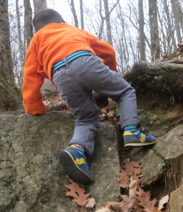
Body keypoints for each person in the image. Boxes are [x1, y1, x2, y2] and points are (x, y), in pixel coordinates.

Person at [22, 9, 156, 185]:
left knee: (85, 117)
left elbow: (30, 75)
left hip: (60, 75)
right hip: (85, 61)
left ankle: (77, 150)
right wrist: (112, 73)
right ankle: (131, 130)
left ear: (37, 30)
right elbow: (107, 50)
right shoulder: (72, 30)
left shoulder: (36, 41)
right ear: (62, 21)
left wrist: (34, 108)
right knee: (125, 92)